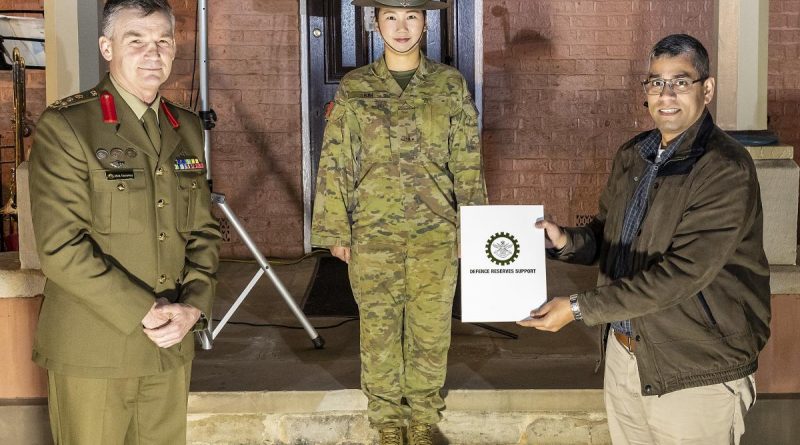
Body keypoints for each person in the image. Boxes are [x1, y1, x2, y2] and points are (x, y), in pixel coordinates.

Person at [518, 34, 771, 445]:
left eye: (680, 81)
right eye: (656, 82)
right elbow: (610, 238)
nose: (666, 94)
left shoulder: (724, 169)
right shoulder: (635, 155)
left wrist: (580, 308)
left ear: (707, 89)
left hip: (694, 366)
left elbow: (683, 274)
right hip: (627, 353)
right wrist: (563, 241)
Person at [29, 1, 220, 443]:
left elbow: (203, 231)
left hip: (169, 347)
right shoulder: (69, 126)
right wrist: (145, 311)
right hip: (95, 349)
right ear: (107, 47)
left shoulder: (186, 126)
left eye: (163, 42)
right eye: (136, 41)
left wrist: (194, 305)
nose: (153, 54)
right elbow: (60, 248)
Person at [311, 0, 487, 443]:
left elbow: (467, 160)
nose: (401, 27)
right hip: (373, 230)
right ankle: (388, 421)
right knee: (379, 328)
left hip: (437, 228)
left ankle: (423, 418)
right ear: (375, 24)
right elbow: (336, 161)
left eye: (411, 17)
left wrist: (473, 225)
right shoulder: (355, 87)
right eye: (391, 17)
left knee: (430, 327)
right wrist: (335, 230)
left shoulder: (449, 85)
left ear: (426, 23)